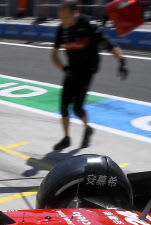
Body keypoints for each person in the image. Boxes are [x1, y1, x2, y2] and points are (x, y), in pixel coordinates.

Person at [50, 0, 127, 151]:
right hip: (71, 69)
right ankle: (66, 138)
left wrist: (122, 61)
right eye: (61, 18)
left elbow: (109, 44)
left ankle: (87, 128)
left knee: (78, 108)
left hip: (87, 70)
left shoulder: (89, 26)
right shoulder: (62, 30)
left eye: (66, 17)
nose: (63, 21)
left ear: (76, 13)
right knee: (64, 106)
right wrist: (64, 68)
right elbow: (54, 55)